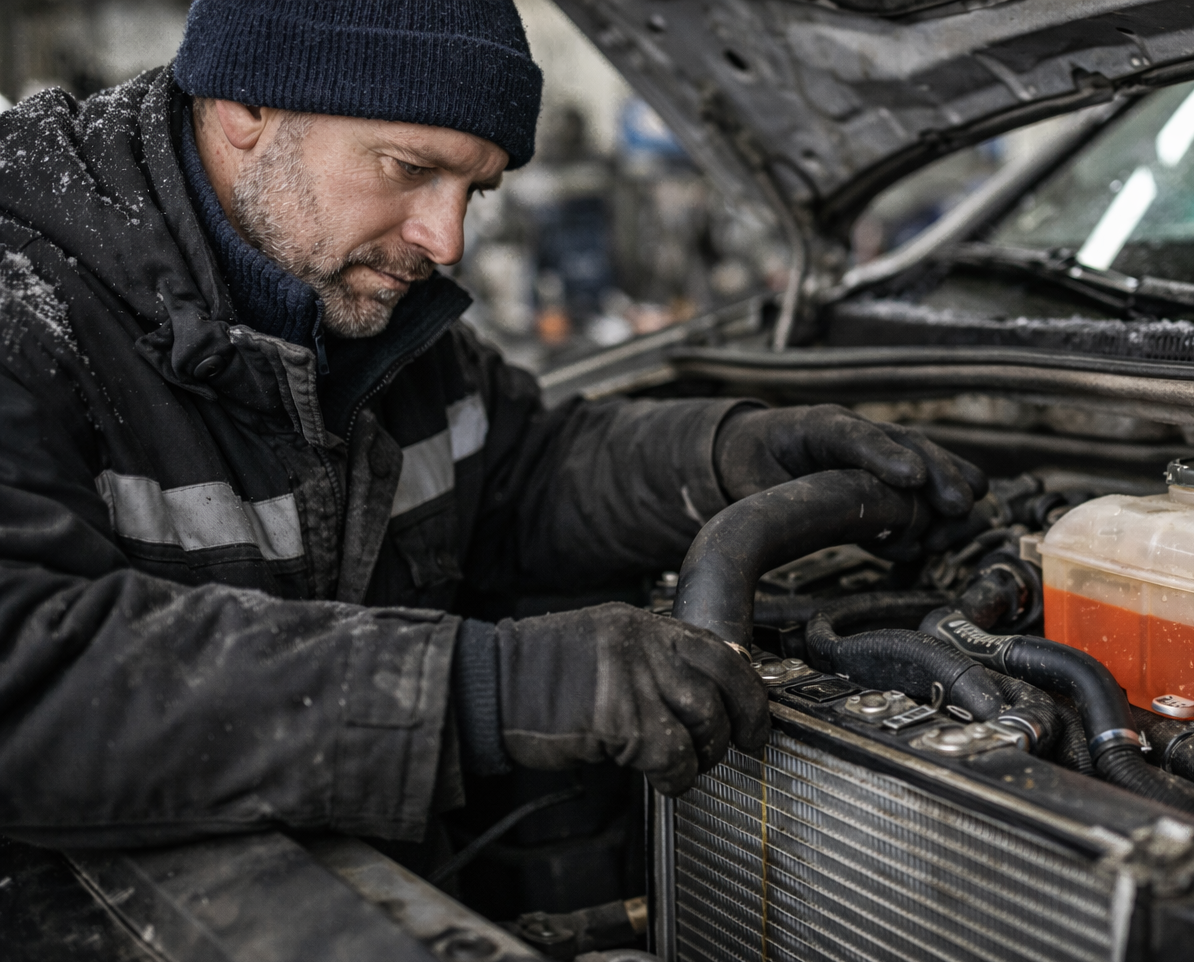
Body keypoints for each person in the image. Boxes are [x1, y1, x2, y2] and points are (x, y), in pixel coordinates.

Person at [0, 0, 983, 849]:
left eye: (472, 189)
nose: (446, 237)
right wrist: (483, 688)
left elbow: (518, 471)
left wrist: (729, 454)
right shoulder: (27, 305)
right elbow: (28, 670)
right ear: (247, 105)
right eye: (407, 168)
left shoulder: (360, 313)